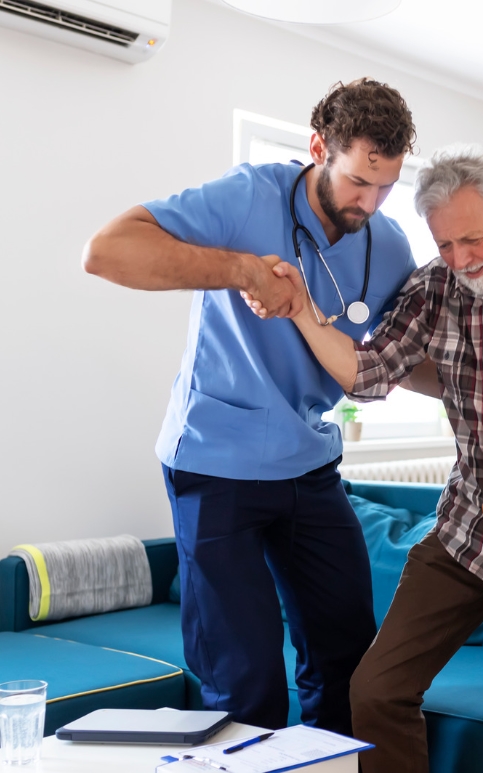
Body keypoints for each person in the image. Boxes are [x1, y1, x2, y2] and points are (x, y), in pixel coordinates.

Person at [244, 145, 483, 771]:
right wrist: (301, 312)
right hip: (471, 522)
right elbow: (368, 374)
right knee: (376, 690)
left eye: (473, 238)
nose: (461, 259)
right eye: (446, 244)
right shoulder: (433, 287)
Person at [81, 78, 421, 733]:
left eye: (386, 186)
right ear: (318, 148)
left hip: (309, 466)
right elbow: (107, 251)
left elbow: (402, 358)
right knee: (245, 684)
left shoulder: (390, 246)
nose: (370, 202)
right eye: (358, 181)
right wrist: (241, 270)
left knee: (350, 662)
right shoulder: (249, 196)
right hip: (214, 462)